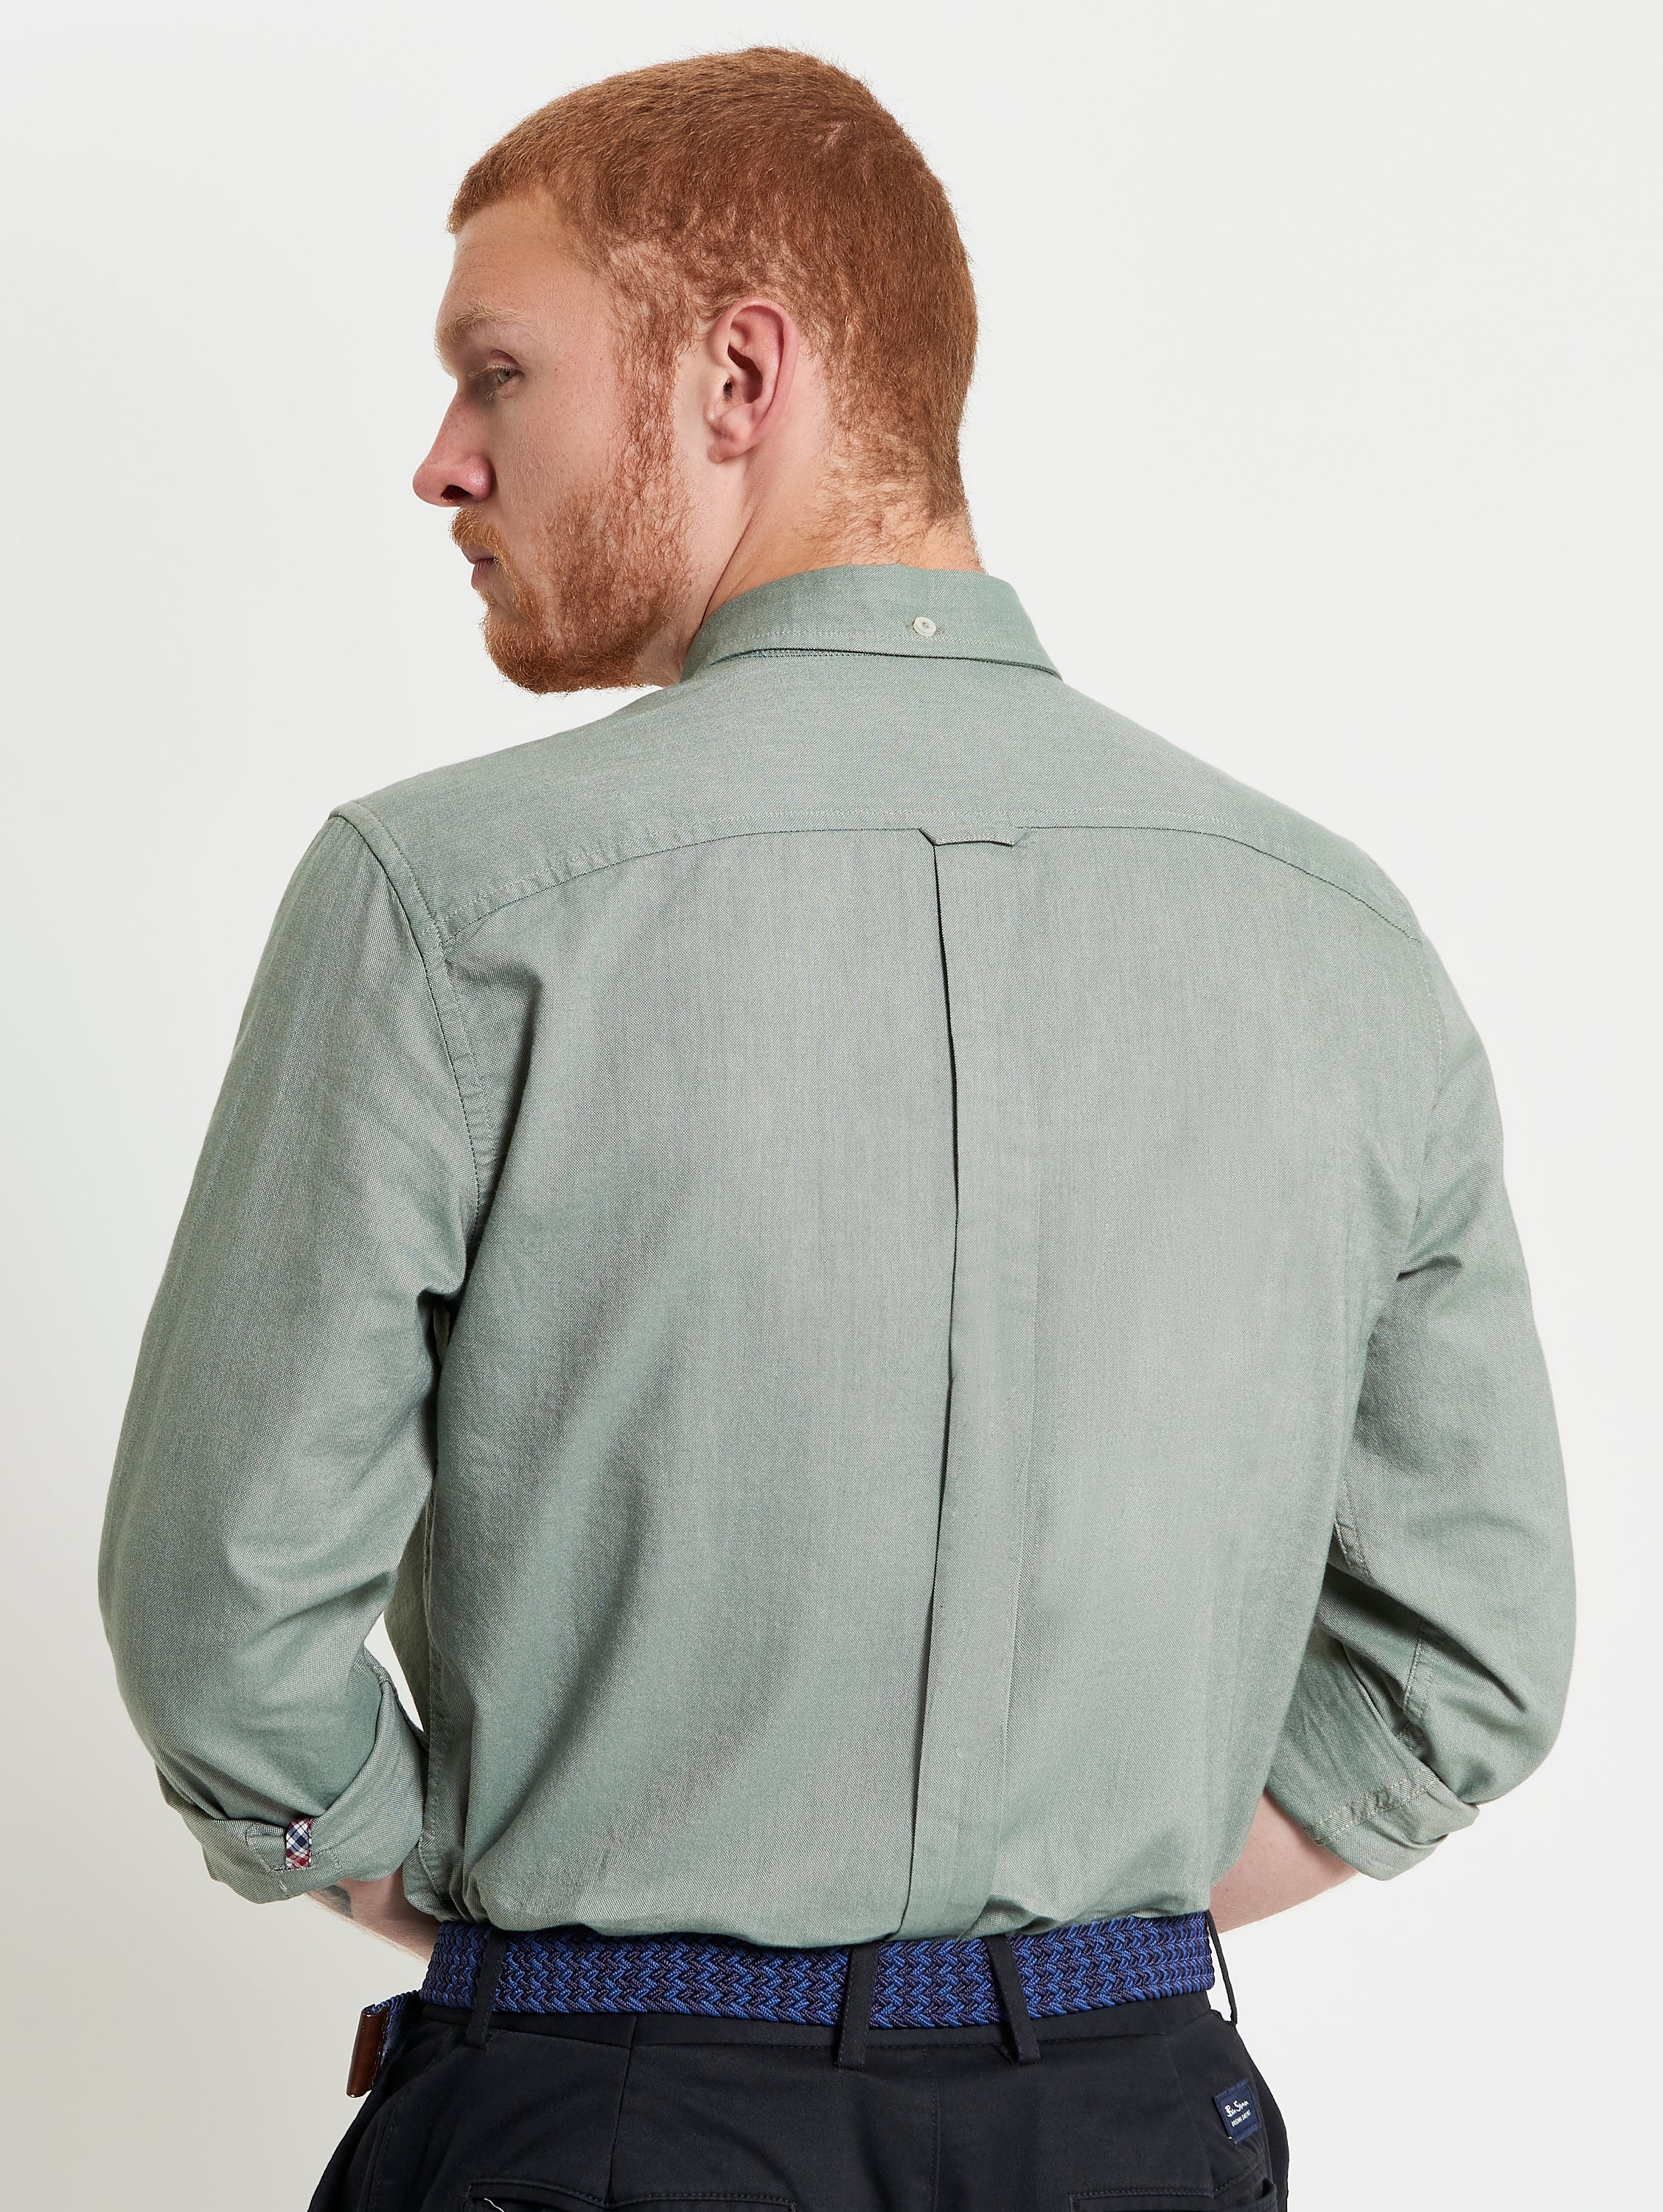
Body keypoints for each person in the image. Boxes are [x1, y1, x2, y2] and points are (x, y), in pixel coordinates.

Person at [98, 47, 1574, 2212]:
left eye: (498, 373)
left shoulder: (445, 902)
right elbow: (1476, 1651)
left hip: (601, 2121)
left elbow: (223, 1620)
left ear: (738, 376)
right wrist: (1093, 1933)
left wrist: (483, 1898)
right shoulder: (1334, 938)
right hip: (1138, 2128)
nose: (442, 463)